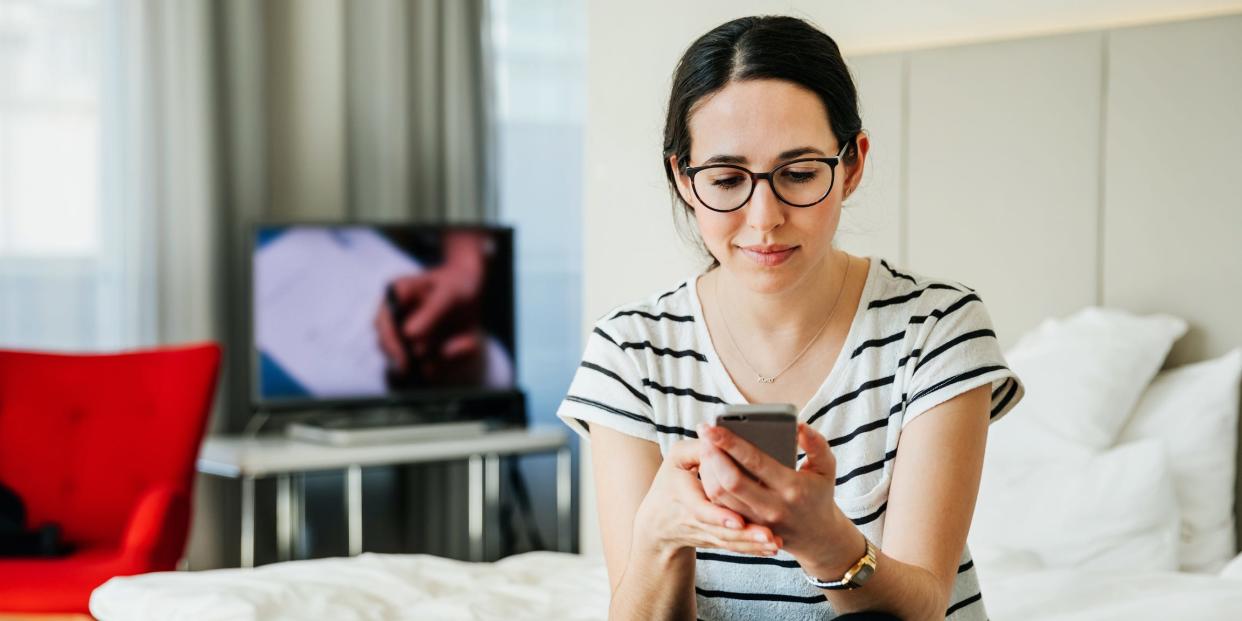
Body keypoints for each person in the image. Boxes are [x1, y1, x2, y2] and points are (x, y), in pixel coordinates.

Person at [555, 15, 1026, 621]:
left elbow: (926, 607)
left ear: (851, 165)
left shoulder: (937, 328)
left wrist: (824, 538)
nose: (764, 218)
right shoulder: (629, 351)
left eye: (799, 174)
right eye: (726, 179)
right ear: (683, 178)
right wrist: (659, 537)